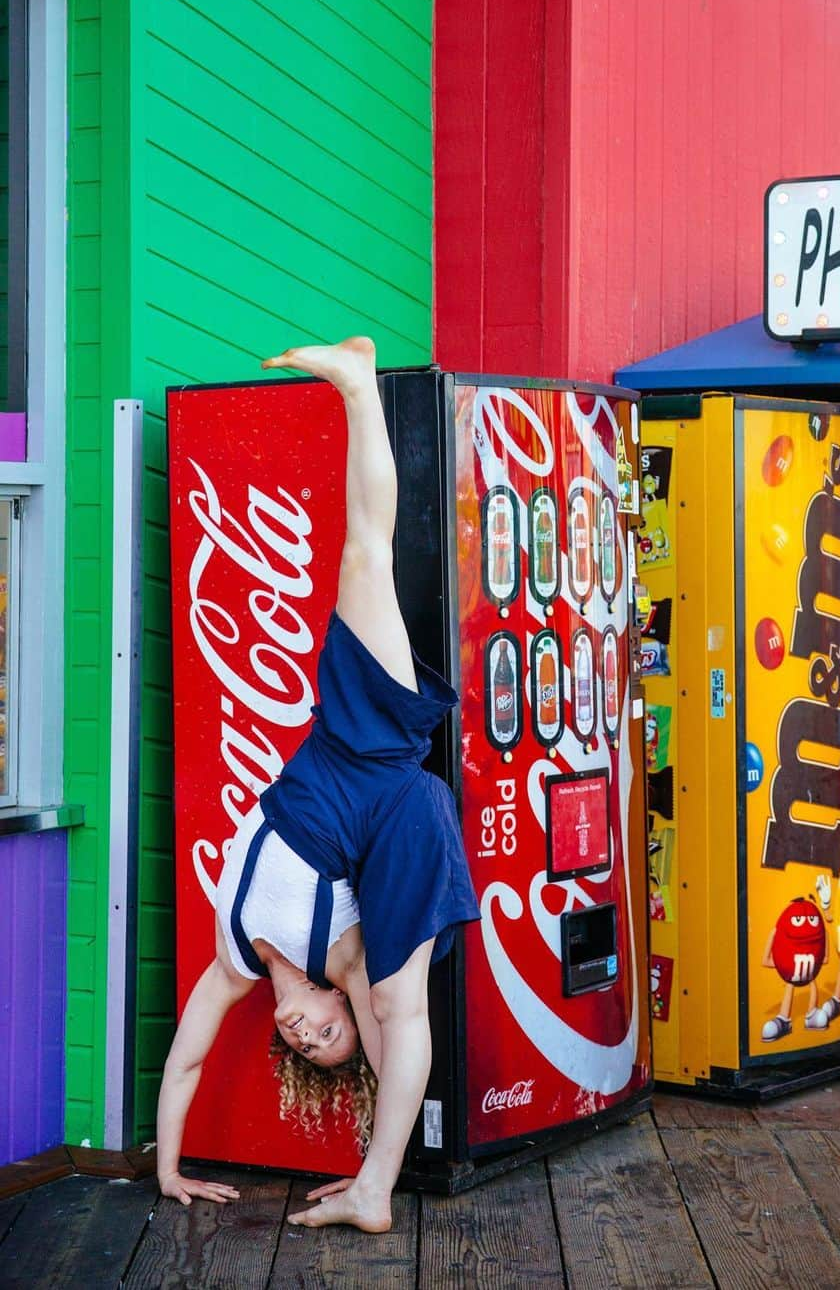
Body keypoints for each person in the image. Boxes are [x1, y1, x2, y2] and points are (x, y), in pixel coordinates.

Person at [156, 336, 481, 1233]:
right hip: (390, 788)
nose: (309, 1034)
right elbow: (381, 1038)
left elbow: (184, 1062)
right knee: (398, 1002)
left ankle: (355, 379)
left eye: (305, 1042)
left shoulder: (231, 960)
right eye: (329, 1036)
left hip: (343, 744)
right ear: (336, 1006)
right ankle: (379, 1185)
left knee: (362, 561)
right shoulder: (343, 959)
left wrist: (169, 1172)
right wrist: (377, 1098)